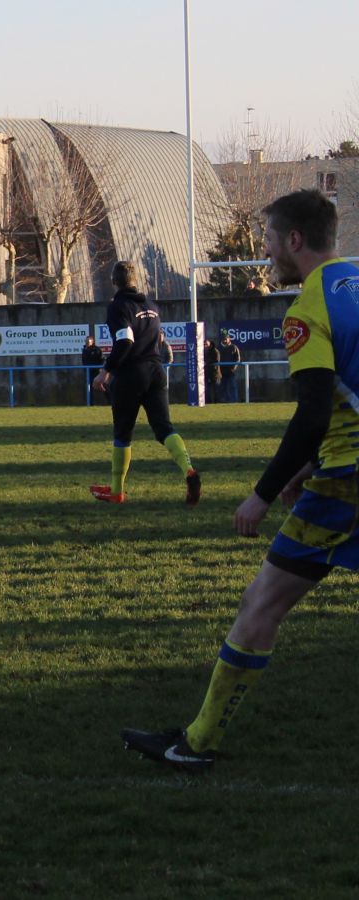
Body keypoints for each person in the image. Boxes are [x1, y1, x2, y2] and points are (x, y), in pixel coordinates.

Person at [121, 189, 354, 771]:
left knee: (260, 604)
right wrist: (307, 466)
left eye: (270, 238)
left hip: (348, 483)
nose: (267, 250)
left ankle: (197, 743)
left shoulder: (308, 309)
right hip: (339, 468)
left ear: (294, 241)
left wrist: (263, 493)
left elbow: (315, 412)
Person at [90, 262, 199, 506]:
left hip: (132, 373)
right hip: (156, 371)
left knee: (123, 434)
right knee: (164, 429)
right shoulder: (152, 306)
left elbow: (125, 341)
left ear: (114, 281)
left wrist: (105, 371)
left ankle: (117, 491)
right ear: (135, 279)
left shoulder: (118, 306)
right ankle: (189, 471)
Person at [217, 330, 242, 403]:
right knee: (222, 388)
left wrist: (234, 368)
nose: (224, 340)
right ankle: (222, 401)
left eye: (226, 339)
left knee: (232, 387)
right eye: (223, 339)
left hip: (230, 372)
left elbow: (237, 359)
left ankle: (234, 401)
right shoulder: (218, 348)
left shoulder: (234, 347)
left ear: (229, 339)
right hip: (221, 372)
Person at [81, 337, 104, 403]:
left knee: (103, 386)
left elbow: (102, 359)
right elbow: (84, 361)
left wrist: (99, 368)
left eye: (89, 341)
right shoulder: (84, 350)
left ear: (92, 342)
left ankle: (111, 401)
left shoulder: (97, 349)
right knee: (89, 388)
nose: (87, 343)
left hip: (97, 371)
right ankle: (90, 403)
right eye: (86, 341)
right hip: (88, 372)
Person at [203, 337, 221, 404]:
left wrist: (207, 362)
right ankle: (208, 402)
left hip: (215, 373)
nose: (205, 346)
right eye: (204, 344)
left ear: (210, 344)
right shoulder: (202, 352)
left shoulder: (215, 351)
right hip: (206, 373)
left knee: (216, 389)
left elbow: (216, 360)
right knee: (207, 389)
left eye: (206, 344)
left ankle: (217, 402)